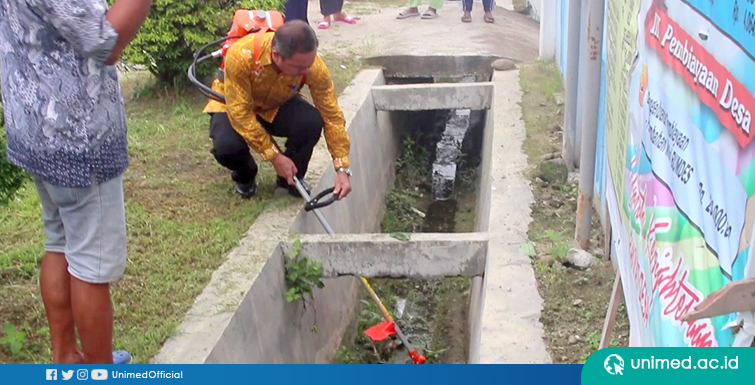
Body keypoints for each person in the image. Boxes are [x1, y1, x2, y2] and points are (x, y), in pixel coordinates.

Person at [0, 0, 152, 364]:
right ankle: (99, 372)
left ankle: (66, 355)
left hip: (34, 127)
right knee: (90, 263)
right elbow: (105, 41)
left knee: (61, 242)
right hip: (76, 138)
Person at [203, 21, 353, 200]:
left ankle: (289, 179)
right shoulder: (241, 55)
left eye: (309, 64)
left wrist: (342, 167)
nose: (306, 70)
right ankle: (246, 176)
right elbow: (240, 114)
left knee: (311, 122)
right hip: (232, 104)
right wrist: (275, 156)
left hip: (274, 103)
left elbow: (332, 115)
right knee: (227, 147)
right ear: (276, 55)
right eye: (298, 68)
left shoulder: (313, 67)